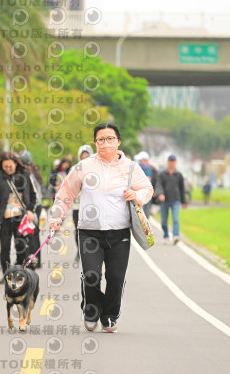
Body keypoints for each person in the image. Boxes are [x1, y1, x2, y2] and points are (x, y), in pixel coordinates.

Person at [48, 123, 153, 333]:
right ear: (95, 143)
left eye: (110, 139)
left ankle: (110, 316)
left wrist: (137, 195)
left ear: (118, 141)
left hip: (119, 232)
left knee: (116, 278)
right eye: (101, 139)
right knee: (91, 275)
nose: (106, 143)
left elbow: (147, 189)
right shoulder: (84, 167)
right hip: (89, 232)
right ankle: (91, 311)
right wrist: (56, 217)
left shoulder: (131, 168)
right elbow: (66, 193)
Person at [0, 152, 39, 272]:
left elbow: (34, 195)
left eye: (10, 166)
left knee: (21, 246)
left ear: (16, 163)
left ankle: (20, 271)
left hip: (21, 218)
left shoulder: (25, 175)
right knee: (4, 247)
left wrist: (30, 210)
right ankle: (6, 273)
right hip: (4, 218)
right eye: (5, 167)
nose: (8, 169)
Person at [18, 149, 44, 269]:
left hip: (33, 206)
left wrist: (30, 209)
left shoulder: (29, 174)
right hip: (36, 206)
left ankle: (33, 260)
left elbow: (33, 193)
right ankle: (36, 260)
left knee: (31, 234)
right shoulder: (33, 171)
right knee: (34, 234)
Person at [156, 155, 187, 245]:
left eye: (173, 161)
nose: (171, 163)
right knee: (164, 221)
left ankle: (175, 236)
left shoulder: (179, 175)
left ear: (175, 162)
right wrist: (160, 194)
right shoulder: (162, 174)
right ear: (168, 162)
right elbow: (158, 185)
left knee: (175, 219)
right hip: (164, 200)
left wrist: (183, 202)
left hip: (175, 200)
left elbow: (182, 189)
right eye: (170, 161)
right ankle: (166, 235)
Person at [72, 144, 95, 261]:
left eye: (87, 155)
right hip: (77, 205)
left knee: (91, 230)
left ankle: (90, 251)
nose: (85, 158)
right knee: (78, 230)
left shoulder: (95, 169)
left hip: (91, 205)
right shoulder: (74, 169)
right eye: (83, 156)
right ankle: (79, 251)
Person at [135, 151, 157, 218]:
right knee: (140, 211)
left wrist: (155, 191)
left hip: (149, 192)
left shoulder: (153, 169)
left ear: (145, 160)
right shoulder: (137, 168)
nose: (140, 161)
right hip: (139, 192)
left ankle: (146, 223)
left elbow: (156, 181)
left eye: (141, 160)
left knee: (147, 211)